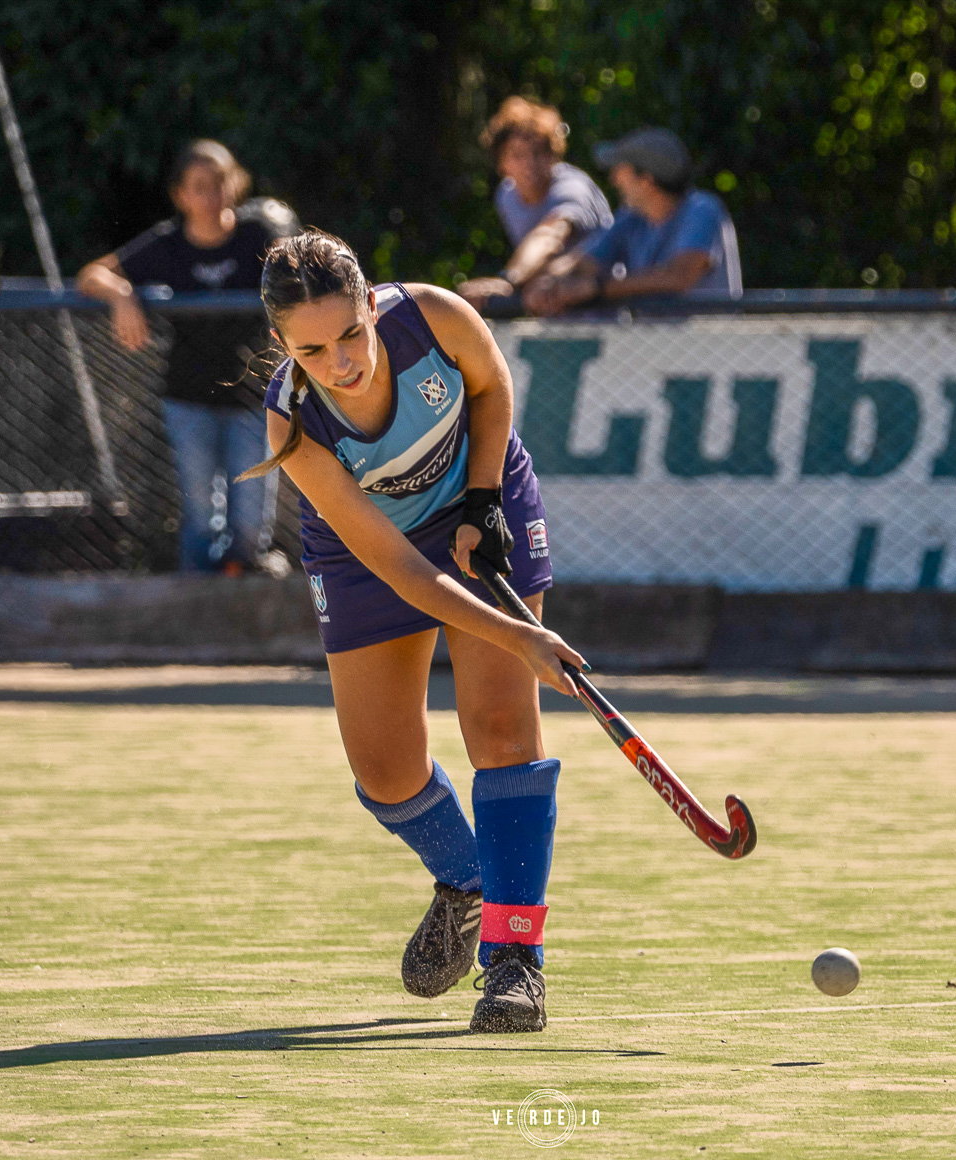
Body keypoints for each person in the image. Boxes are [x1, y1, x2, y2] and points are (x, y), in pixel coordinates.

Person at [238, 231, 584, 1033]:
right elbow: (402, 573)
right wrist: (520, 635)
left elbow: (492, 389)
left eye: (351, 333)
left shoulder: (432, 317)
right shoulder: (292, 423)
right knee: (386, 771)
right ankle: (468, 880)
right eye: (314, 349)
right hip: (373, 557)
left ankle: (514, 959)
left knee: (501, 726)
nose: (343, 362)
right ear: (283, 345)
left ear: (370, 304)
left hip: (477, 498)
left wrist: (484, 500)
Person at [76, 140, 300, 573]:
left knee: (251, 522)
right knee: (201, 515)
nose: (211, 195)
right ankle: (198, 605)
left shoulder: (260, 235)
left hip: (252, 398)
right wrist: (121, 294)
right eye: (199, 186)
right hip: (188, 397)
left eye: (219, 183)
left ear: (235, 185)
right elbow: (91, 275)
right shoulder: (167, 244)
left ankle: (244, 605)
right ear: (180, 195)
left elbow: (296, 271)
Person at [523, 126, 742, 316]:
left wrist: (597, 288)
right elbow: (583, 262)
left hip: (711, 351)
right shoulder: (631, 219)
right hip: (653, 350)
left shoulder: (702, 209)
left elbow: (679, 276)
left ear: (646, 180)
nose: (613, 179)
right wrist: (549, 282)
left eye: (620, 170)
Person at [456, 97, 612, 311]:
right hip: (551, 304)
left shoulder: (571, 187)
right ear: (501, 162)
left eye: (539, 152)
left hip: (605, 307)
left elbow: (550, 236)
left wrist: (507, 281)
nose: (530, 164)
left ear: (553, 155)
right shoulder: (506, 196)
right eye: (517, 155)